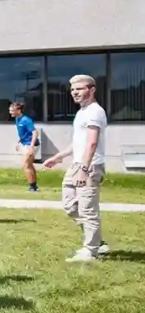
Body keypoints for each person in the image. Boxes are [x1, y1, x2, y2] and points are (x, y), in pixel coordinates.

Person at [44, 74, 111, 262]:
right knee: (69, 204)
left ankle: (91, 250)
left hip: (89, 166)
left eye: (79, 89)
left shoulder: (95, 112)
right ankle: (98, 241)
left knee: (88, 209)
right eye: (73, 89)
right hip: (77, 164)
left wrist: (84, 168)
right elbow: (78, 143)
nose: (75, 92)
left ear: (92, 89)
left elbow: (92, 142)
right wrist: (58, 157)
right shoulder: (82, 112)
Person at [10, 102, 40, 192]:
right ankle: (35, 186)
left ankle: (32, 187)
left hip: (31, 145)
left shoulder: (26, 120)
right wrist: (19, 141)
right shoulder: (17, 119)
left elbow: (35, 132)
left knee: (25, 165)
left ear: (18, 111)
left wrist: (31, 146)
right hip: (25, 144)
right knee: (29, 165)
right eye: (10, 110)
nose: (10, 112)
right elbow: (25, 132)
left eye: (12, 110)